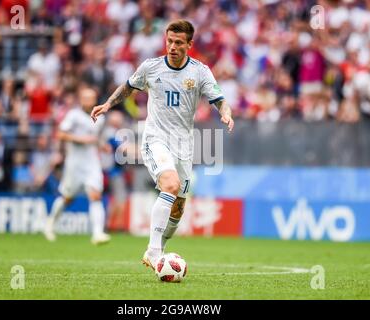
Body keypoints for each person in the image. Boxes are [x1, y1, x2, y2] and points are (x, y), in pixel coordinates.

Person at [91, 20, 234, 269]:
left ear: (189, 45)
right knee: (170, 184)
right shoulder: (151, 67)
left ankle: (160, 248)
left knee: (177, 208)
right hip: (155, 138)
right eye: (169, 41)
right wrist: (107, 104)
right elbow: (128, 87)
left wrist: (226, 113)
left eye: (179, 42)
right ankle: (154, 252)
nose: (173, 46)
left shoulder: (200, 72)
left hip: (184, 145)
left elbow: (220, 99)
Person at [44, 87, 110, 245]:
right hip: (74, 163)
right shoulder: (74, 115)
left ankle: (97, 233)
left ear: (95, 100)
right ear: (81, 100)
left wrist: (102, 145)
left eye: (91, 98)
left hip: (92, 162)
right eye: (85, 98)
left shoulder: (100, 118)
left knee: (95, 195)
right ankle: (50, 223)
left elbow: (95, 139)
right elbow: (60, 134)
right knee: (67, 198)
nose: (88, 101)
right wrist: (81, 139)